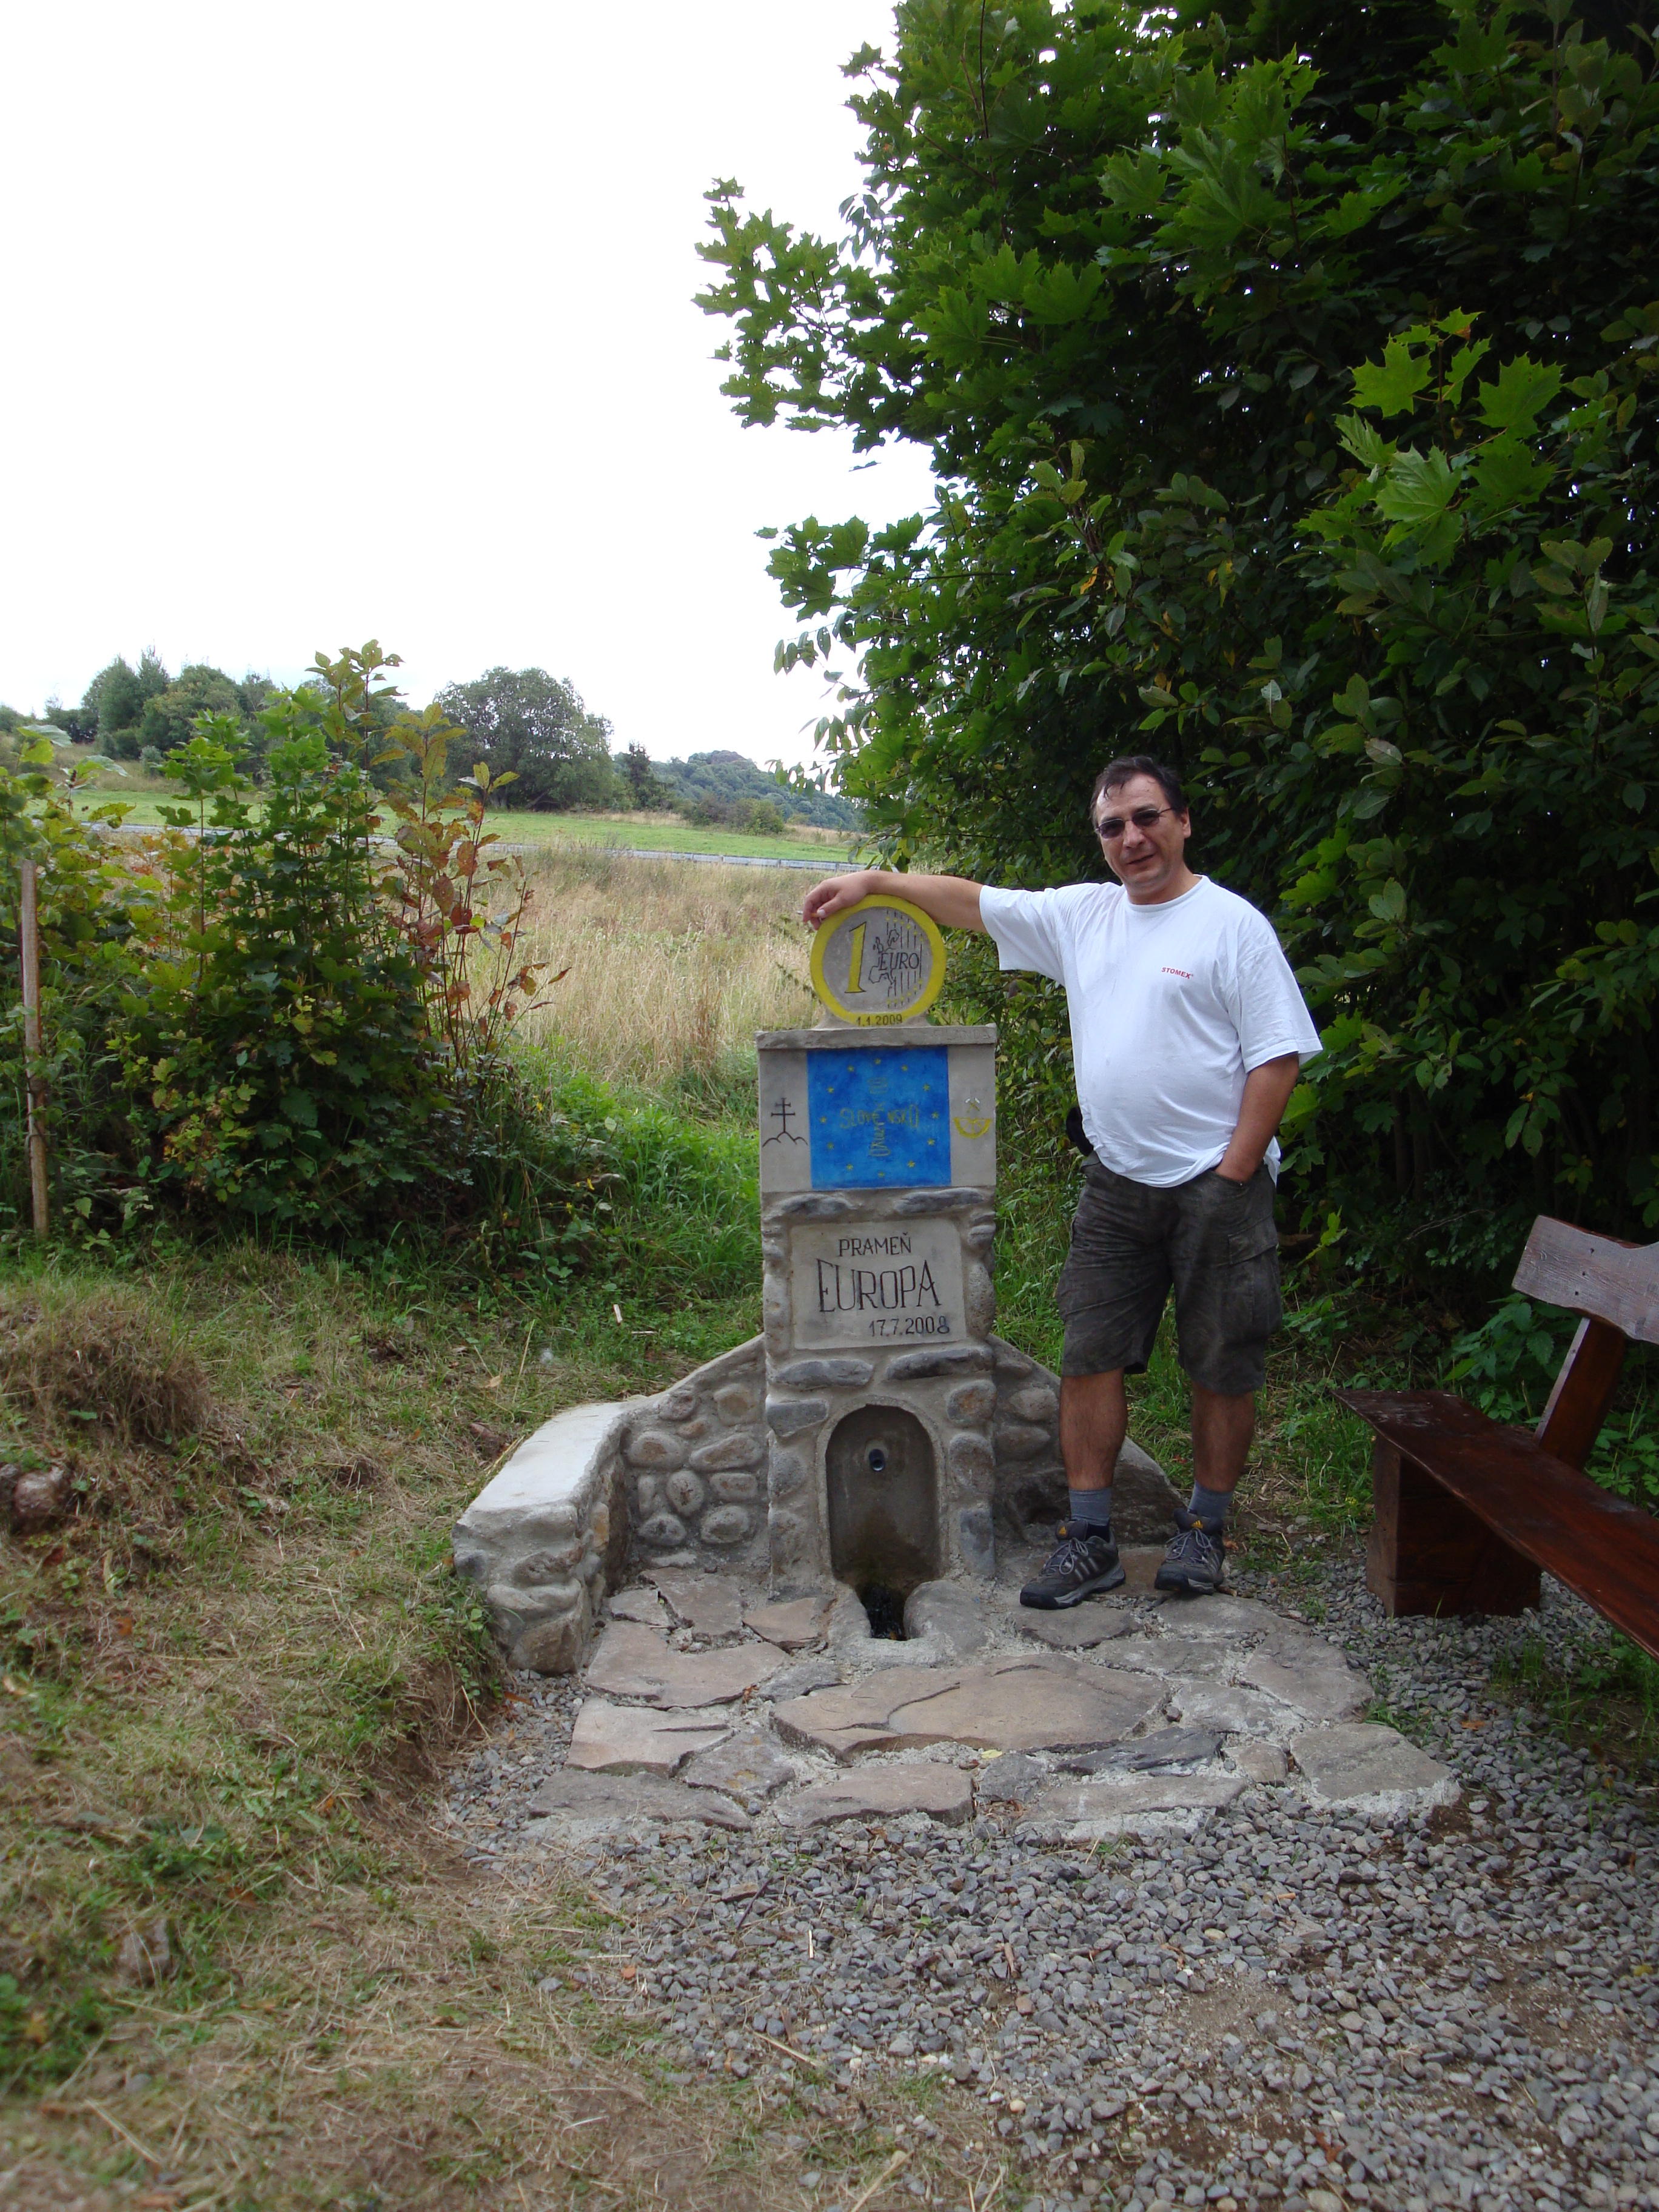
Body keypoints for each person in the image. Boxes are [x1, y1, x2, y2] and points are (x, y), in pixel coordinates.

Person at [800, 755, 1322, 1607]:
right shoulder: (1085, 917)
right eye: (1113, 826)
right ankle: (1090, 1539)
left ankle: (1205, 1529)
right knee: (1089, 1356)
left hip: (1217, 1186)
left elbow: (1278, 1059)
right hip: (1116, 1183)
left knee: (1222, 1362)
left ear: (1183, 822)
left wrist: (1232, 1174)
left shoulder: (1232, 927)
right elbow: (972, 904)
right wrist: (874, 883)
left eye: (1147, 818)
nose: (1131, 838)